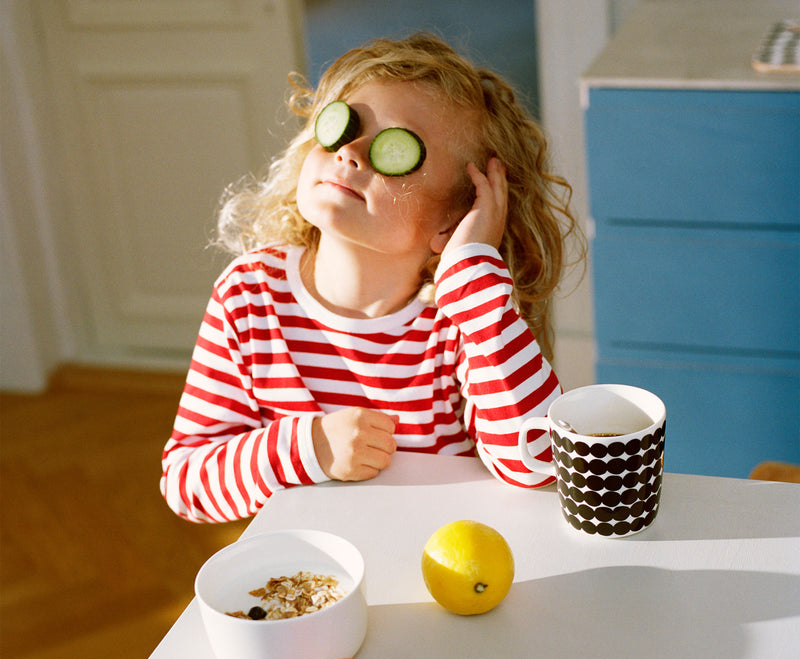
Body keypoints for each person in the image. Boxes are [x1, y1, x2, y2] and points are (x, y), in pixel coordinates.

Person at [161, 32, 584, 523]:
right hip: (308, 577)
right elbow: (186, 482)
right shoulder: (248, 296)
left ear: (454, 218)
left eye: (395, 149)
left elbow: (542, 463)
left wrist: (475, 283)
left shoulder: (462, 317)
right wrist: (310, 448)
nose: (351, 152)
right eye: (343, 127)